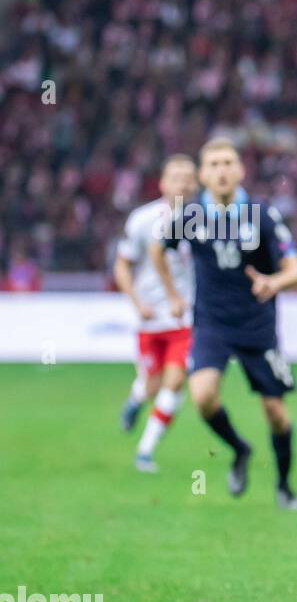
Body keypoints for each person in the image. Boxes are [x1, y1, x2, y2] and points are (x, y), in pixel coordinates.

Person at [152, 138, 297, 508]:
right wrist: (173, 296)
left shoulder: (263, 215)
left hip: (257, 326)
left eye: (228, 163)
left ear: (240, 170)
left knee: (276, 413)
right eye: (214, 164)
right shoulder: (189, 215)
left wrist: (275, 282)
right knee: (203, 397)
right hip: (212, 324)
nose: (222, 170)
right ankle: (240, 450)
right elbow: (159, 250)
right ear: (202, 175)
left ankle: (284, 486)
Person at [115, 155, 197, 472]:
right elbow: (122, 264)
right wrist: (136, 302)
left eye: (189, 177)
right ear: (162, 183)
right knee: (152, 384)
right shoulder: (142, 220)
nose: (183, 182)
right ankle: (136, 399)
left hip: (185, 319)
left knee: (175, 382)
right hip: (150, 318)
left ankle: (145, 451)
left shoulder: (206, 221)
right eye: (176, 176)